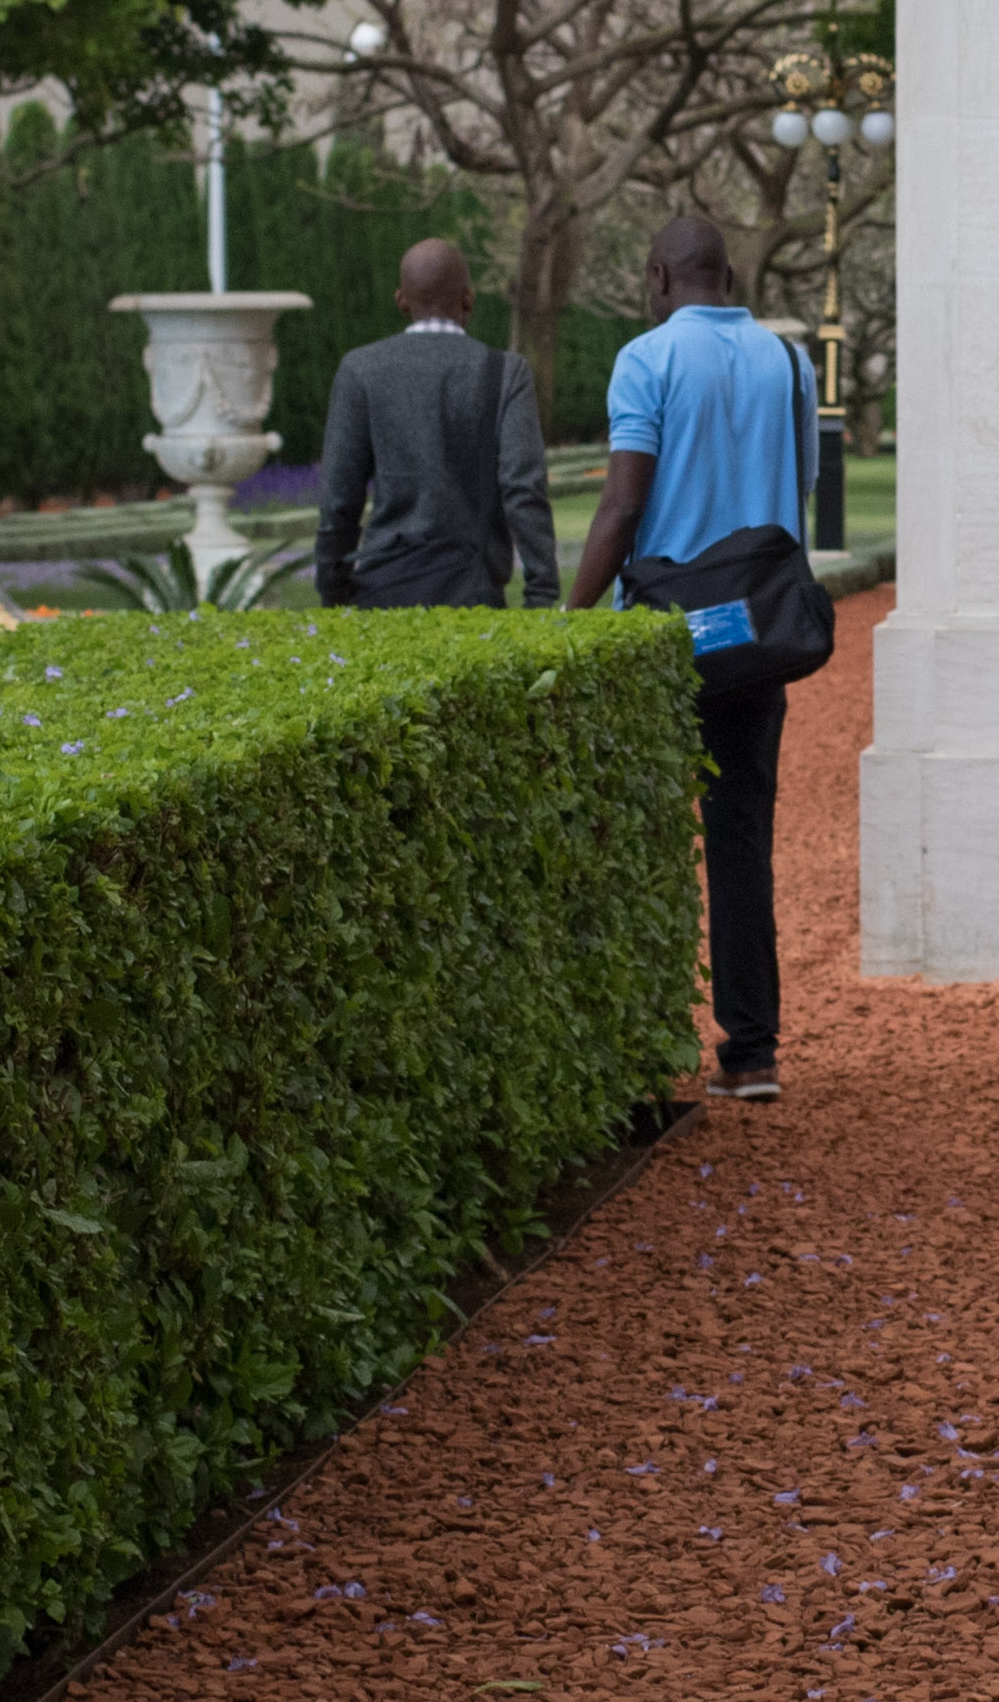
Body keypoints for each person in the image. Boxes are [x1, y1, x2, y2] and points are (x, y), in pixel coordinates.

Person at [566, 209, 812, 1104]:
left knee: (646, 834)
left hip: (668, 634)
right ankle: (751, 1053)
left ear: (658, 279)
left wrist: (571, 617)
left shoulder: (647, 359)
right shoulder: (790, 362)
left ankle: (643, 1052)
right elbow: (799, 491)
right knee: (741, 835)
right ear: (729, 280)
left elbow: (623, 505)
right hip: (757, 631)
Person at [306, 237, 557, 609]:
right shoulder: (505, 373)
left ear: (401, 300)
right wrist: (541, 592)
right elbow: (524, 488)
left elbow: (339, 497)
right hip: (474, 590)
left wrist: (333, 587)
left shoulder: (361, 370)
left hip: (382, 589)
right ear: (468, 298)